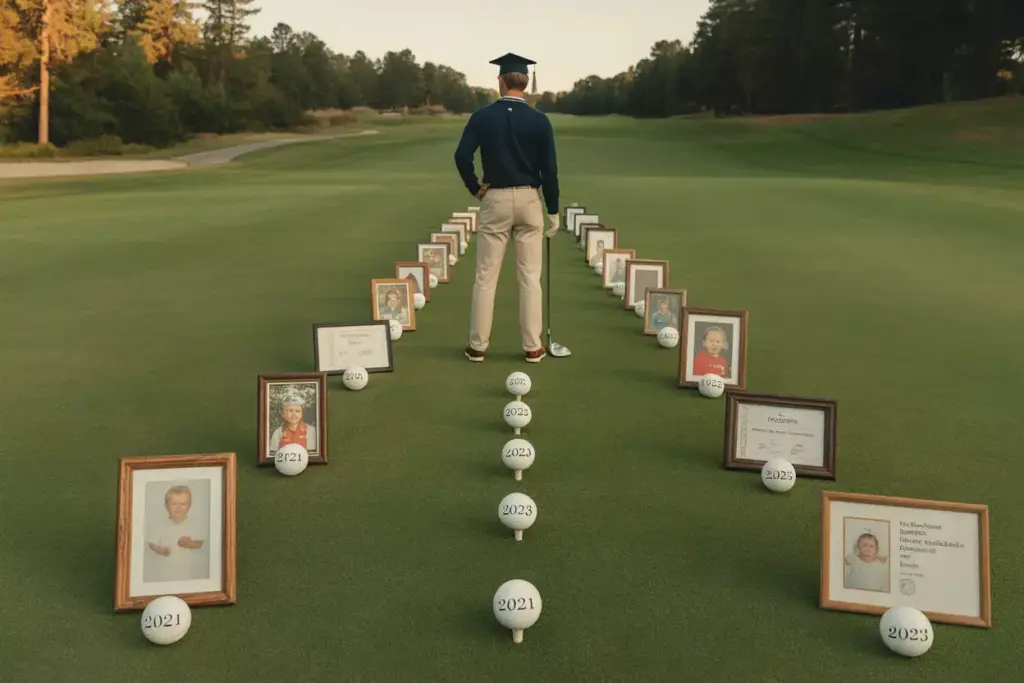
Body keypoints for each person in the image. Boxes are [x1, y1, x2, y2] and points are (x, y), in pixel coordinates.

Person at [454, 53, 560, 364]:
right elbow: (549, 170)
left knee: (486, 277)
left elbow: (462, 156)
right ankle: (533, 346)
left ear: (500, 80)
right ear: (524, 83)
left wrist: (474, 186)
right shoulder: (540, 120)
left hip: (495, 199)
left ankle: (478, 346)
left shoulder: (482, 117)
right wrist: (553, 209)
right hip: (529, 200)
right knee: (530, 277)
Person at [146, 485, 208, 583]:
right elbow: (151, 543)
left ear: (189, 505)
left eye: (183, 504)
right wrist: (160, 550)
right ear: (166, 506)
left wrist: (191, 544)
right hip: (165, 571)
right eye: (174, 504)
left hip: (187, 571)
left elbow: (201, 543)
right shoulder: (161, 525)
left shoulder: (194, 524)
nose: (178, 507)